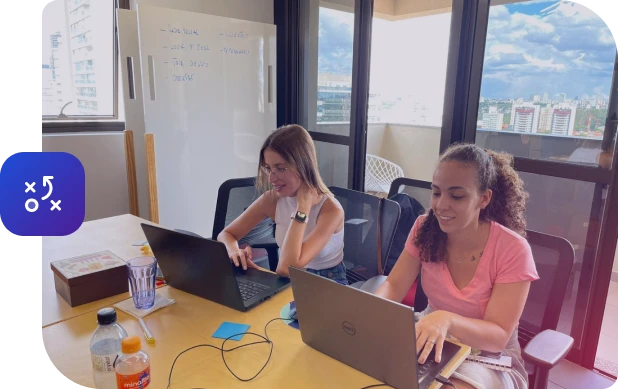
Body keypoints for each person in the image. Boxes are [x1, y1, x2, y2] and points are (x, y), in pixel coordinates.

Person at [374, 143, 539, 389]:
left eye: (457, 195)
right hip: (432, 335)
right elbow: (394, 285)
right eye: (436, 192)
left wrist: (447, 320)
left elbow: (497, 336)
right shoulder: (424, 228)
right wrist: (371, 310)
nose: (441, 205)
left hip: (489, 357)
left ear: (484, 198)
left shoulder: (512, 249)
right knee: (373, 367)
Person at [217, 124, 348, 284]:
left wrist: (303, 208)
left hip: (327, 283)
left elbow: (287, 268)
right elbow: (226, 235)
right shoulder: (271, 200)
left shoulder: (331, 211)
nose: (271, 178)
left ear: (303, 166)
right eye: (268, 168)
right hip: (288, 282)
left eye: (281, 169)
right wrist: (234, 252)